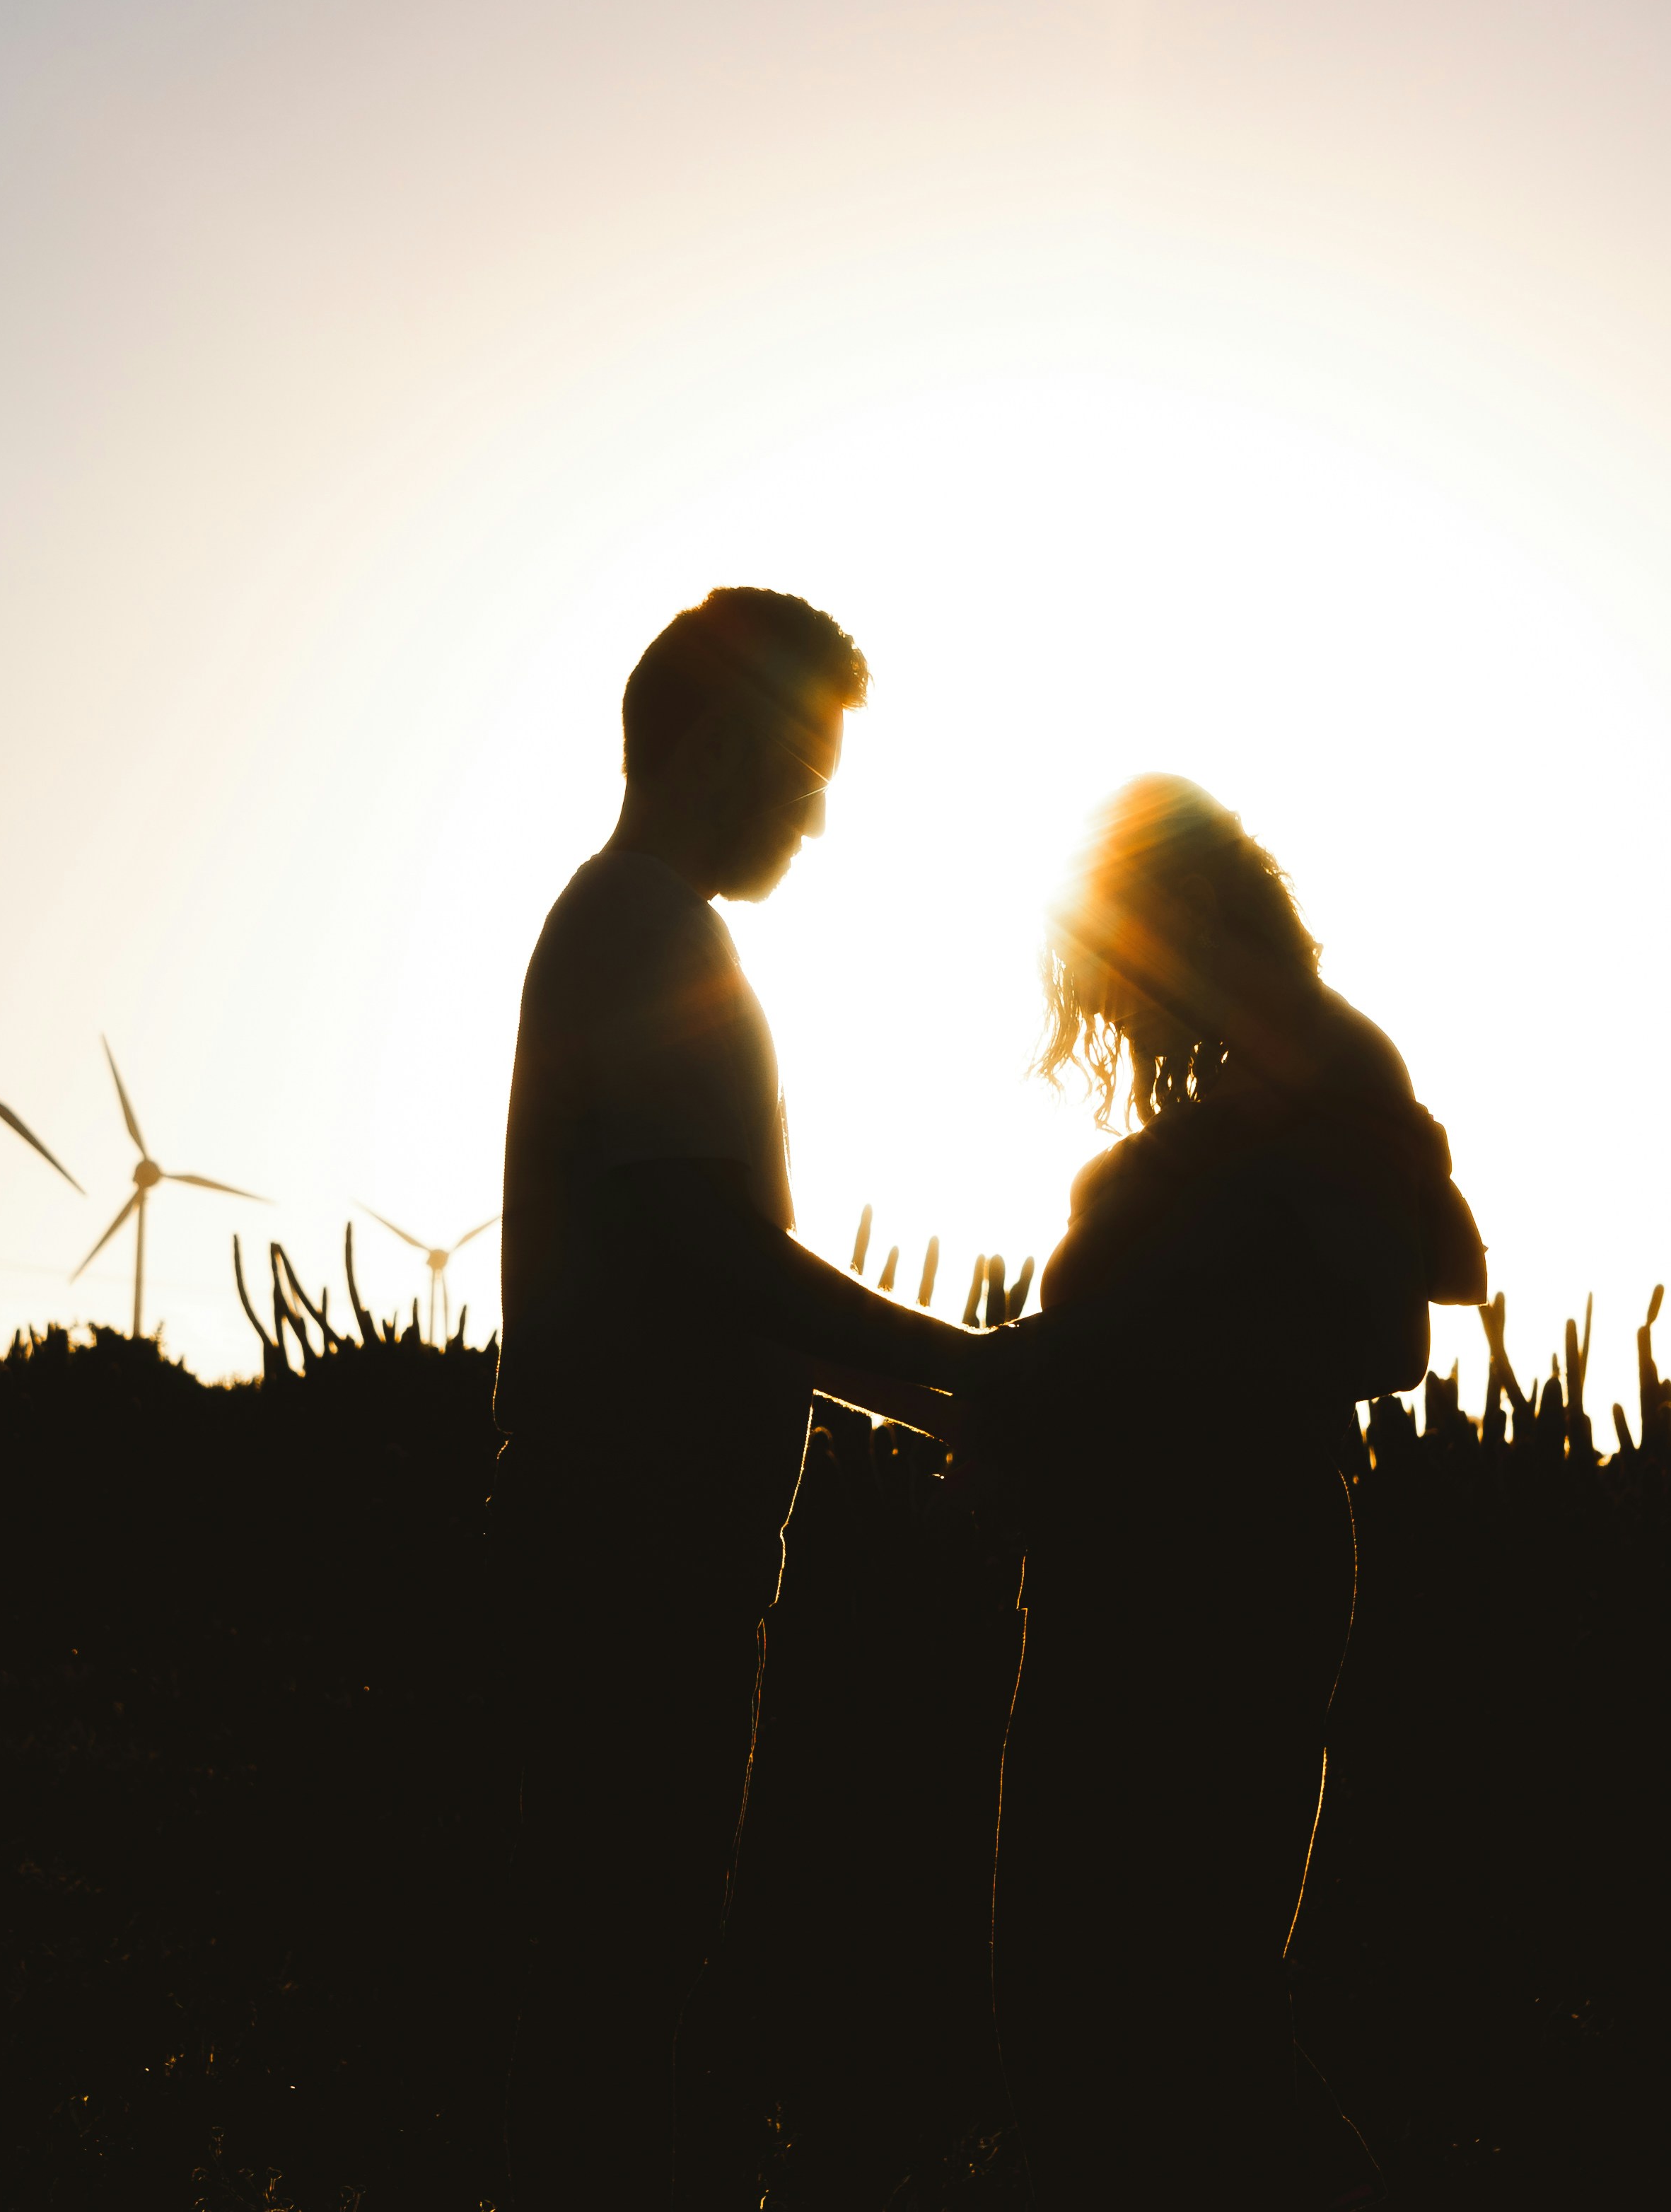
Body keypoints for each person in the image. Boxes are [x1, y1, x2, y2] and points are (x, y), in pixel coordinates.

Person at [489, 587, 981, 2211]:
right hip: (632, 1557)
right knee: (617, 2008)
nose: (816, 812)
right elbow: (717, 1249)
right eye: (797, 763)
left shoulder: (633, 923)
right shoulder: (649, 932)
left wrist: (932, 1402)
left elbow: (705, 1268)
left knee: (620, 1996)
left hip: (650, 1553)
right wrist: (971, 1369)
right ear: (706, 742)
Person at [979, 776, 1484, 2208]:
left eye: (1112, 957)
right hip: (1128, 1575)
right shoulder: (1254, 1081)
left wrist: (1111, 1359)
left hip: (1212, 1578)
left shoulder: (1326, 1075)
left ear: (1181, 920)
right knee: (1100, 2003)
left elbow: (1384, 1335)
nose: (1109, 1005)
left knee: (1177, 2005)